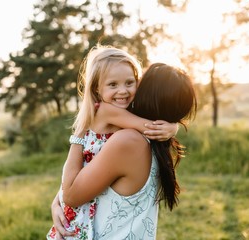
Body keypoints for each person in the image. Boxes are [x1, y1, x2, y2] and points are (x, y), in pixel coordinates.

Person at [47, 45, 179, 240]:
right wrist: (172, 127)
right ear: (97, 89)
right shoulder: (107, 111)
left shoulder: (121, 113)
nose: (122, 91)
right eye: (113, 85)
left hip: (86, 190)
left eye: (129, 82)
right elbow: (149, 126)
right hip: (80, 195)